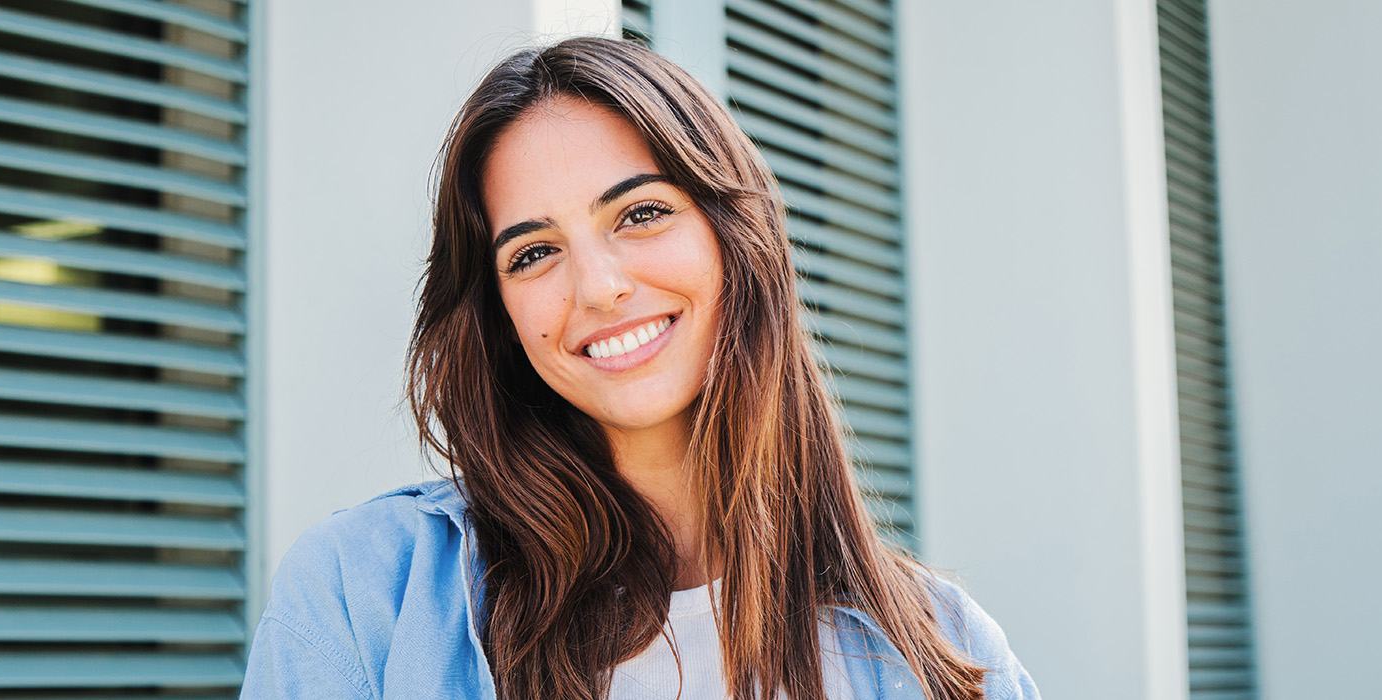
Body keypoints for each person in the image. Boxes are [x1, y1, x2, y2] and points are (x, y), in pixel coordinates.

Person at [239, 36, 1040, 700]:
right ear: (501, 316)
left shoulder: (946, 652)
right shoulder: (358, 598)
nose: (598, 287)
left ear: (735, 238)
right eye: (535, 252)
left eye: (642, 212)